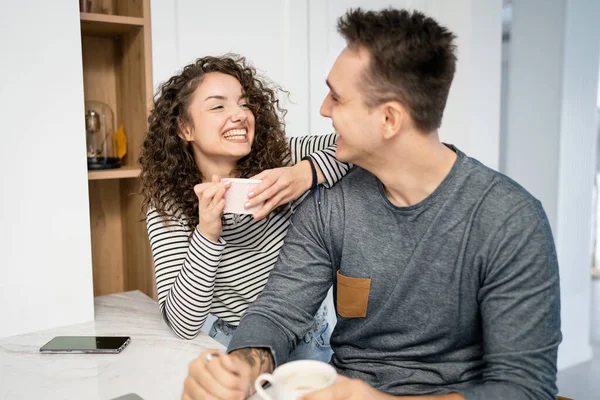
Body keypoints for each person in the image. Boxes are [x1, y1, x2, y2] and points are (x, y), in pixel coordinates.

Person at [182, 7, 562, 400]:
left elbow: (525, 389)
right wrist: (239, 369)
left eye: (337, 97)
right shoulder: (331, 204)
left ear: (389, 119)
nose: (323, 109)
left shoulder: (509, 220)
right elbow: (278, 312)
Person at [139, 54, 351, 362]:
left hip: (307, 336)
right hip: (231, 343)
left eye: (243, 103)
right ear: (185, 128)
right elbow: (182, 324)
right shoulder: (169, 206)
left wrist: (301, 175)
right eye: (218, 106)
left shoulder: (284, 157)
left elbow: (358, 145)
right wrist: (207, 233)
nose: (239, 114)